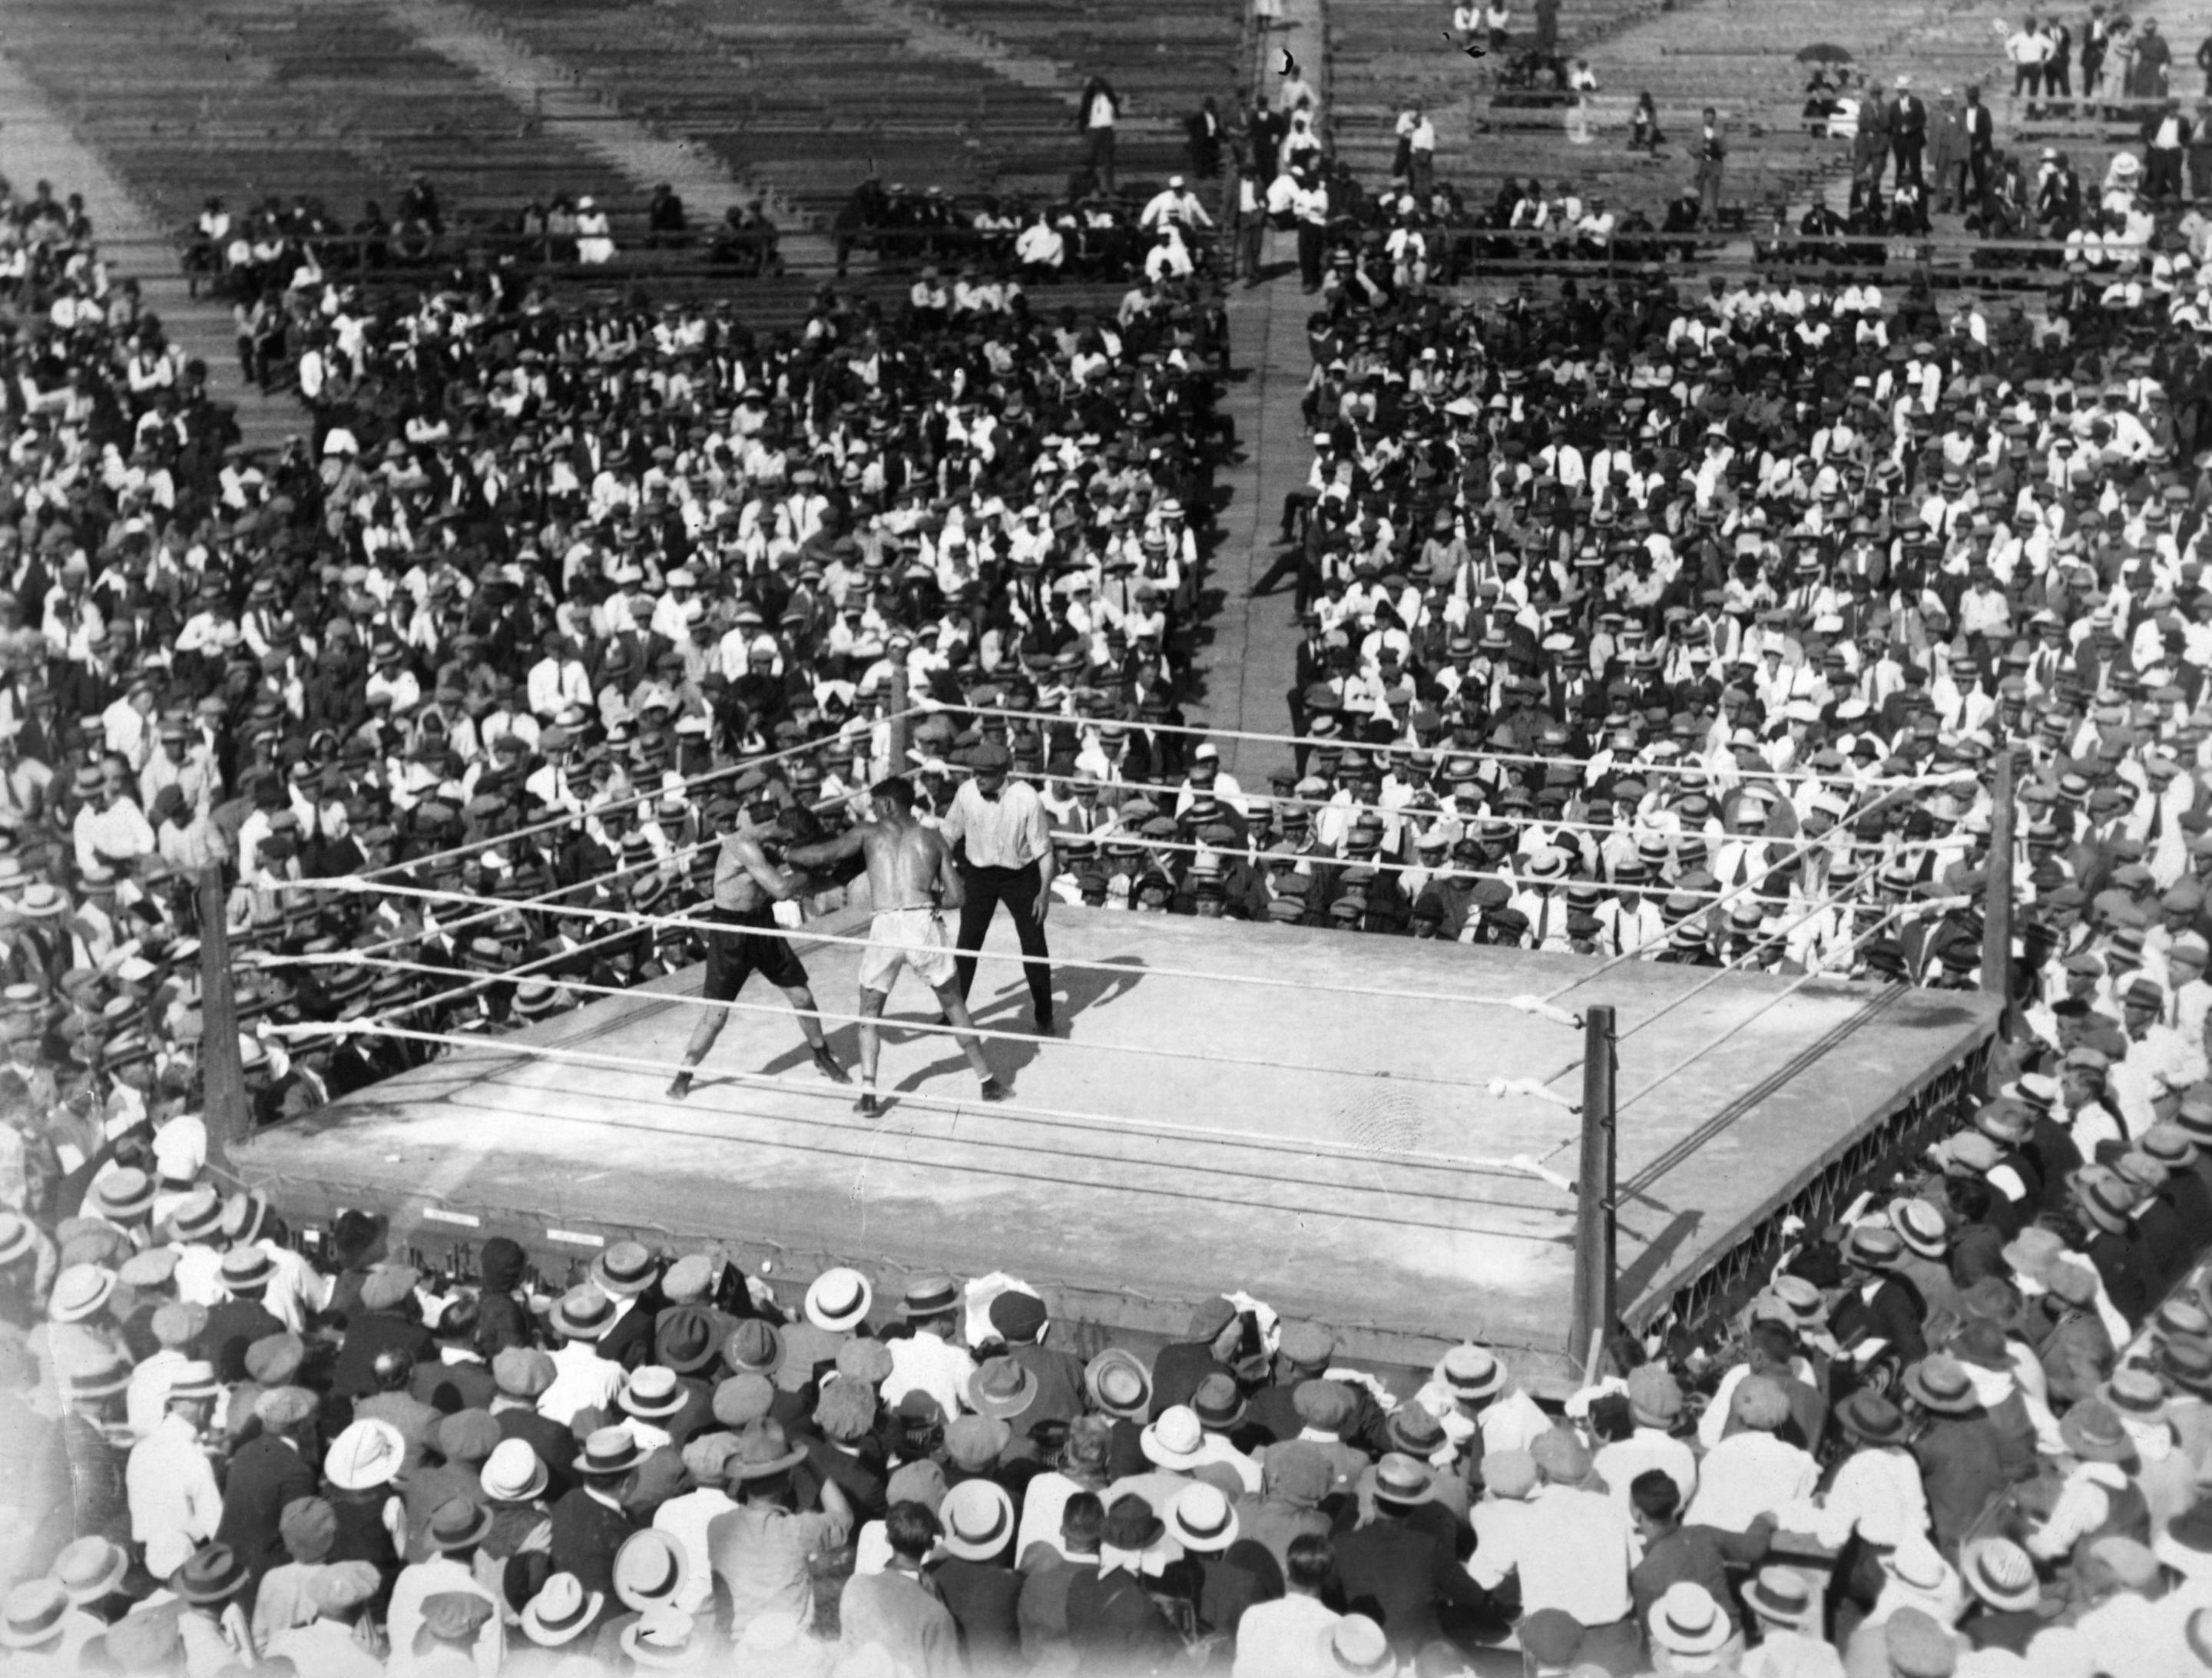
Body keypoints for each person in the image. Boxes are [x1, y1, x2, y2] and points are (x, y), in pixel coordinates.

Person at [787, 776, 1007, 1115]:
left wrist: (784, 850)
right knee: (955, 1005)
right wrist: (924, 897)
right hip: (922, 923)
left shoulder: (868, 833)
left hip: (887, 925)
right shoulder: (933, 838)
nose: (873, 812)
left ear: (888, 804)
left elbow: (820, 855)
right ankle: (987, 1080)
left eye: (875, 805)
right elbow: (958, 896)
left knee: (869, 1013)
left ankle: (869, 1095)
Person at [664, 774, 847, 1100]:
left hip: (762, 925)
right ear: (790, 834)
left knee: (802, 997)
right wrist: (807, 874)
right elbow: (781, 889)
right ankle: (685, 1073)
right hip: (731, 933)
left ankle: (821, 1055)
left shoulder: (772, 845)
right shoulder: (743, 845)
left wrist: (841, 873)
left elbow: (797, 885)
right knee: (716, 1015)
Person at [943, 743, 1058, 1036]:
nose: (978, 778)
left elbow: (1043, 850)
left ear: (1003, 773)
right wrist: (937, 874)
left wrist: (1044, 892)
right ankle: (953, 1015)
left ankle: (1045, 1017)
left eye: (986, 773)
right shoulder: (966, 793)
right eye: (975, 772)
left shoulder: (1027, 798)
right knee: (967, 943)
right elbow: (947, 835)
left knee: (1033, 945)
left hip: (1021, 876)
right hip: (979, 874)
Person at [1695, 108, 1727, 220]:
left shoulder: (1720, 132)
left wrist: (1716, 146)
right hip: (1701, 162)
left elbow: (1724, 150)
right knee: (1698, 193)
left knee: (1714, 193)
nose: (1709, 120)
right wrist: (1700, 150)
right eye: (1707, 117)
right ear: (1704, 118)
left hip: (1714, 161)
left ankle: (1714, 217)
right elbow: (1690, 148)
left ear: (1714, 119)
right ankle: (1697, 216)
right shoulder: (1698, 131)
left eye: (1711, 118)